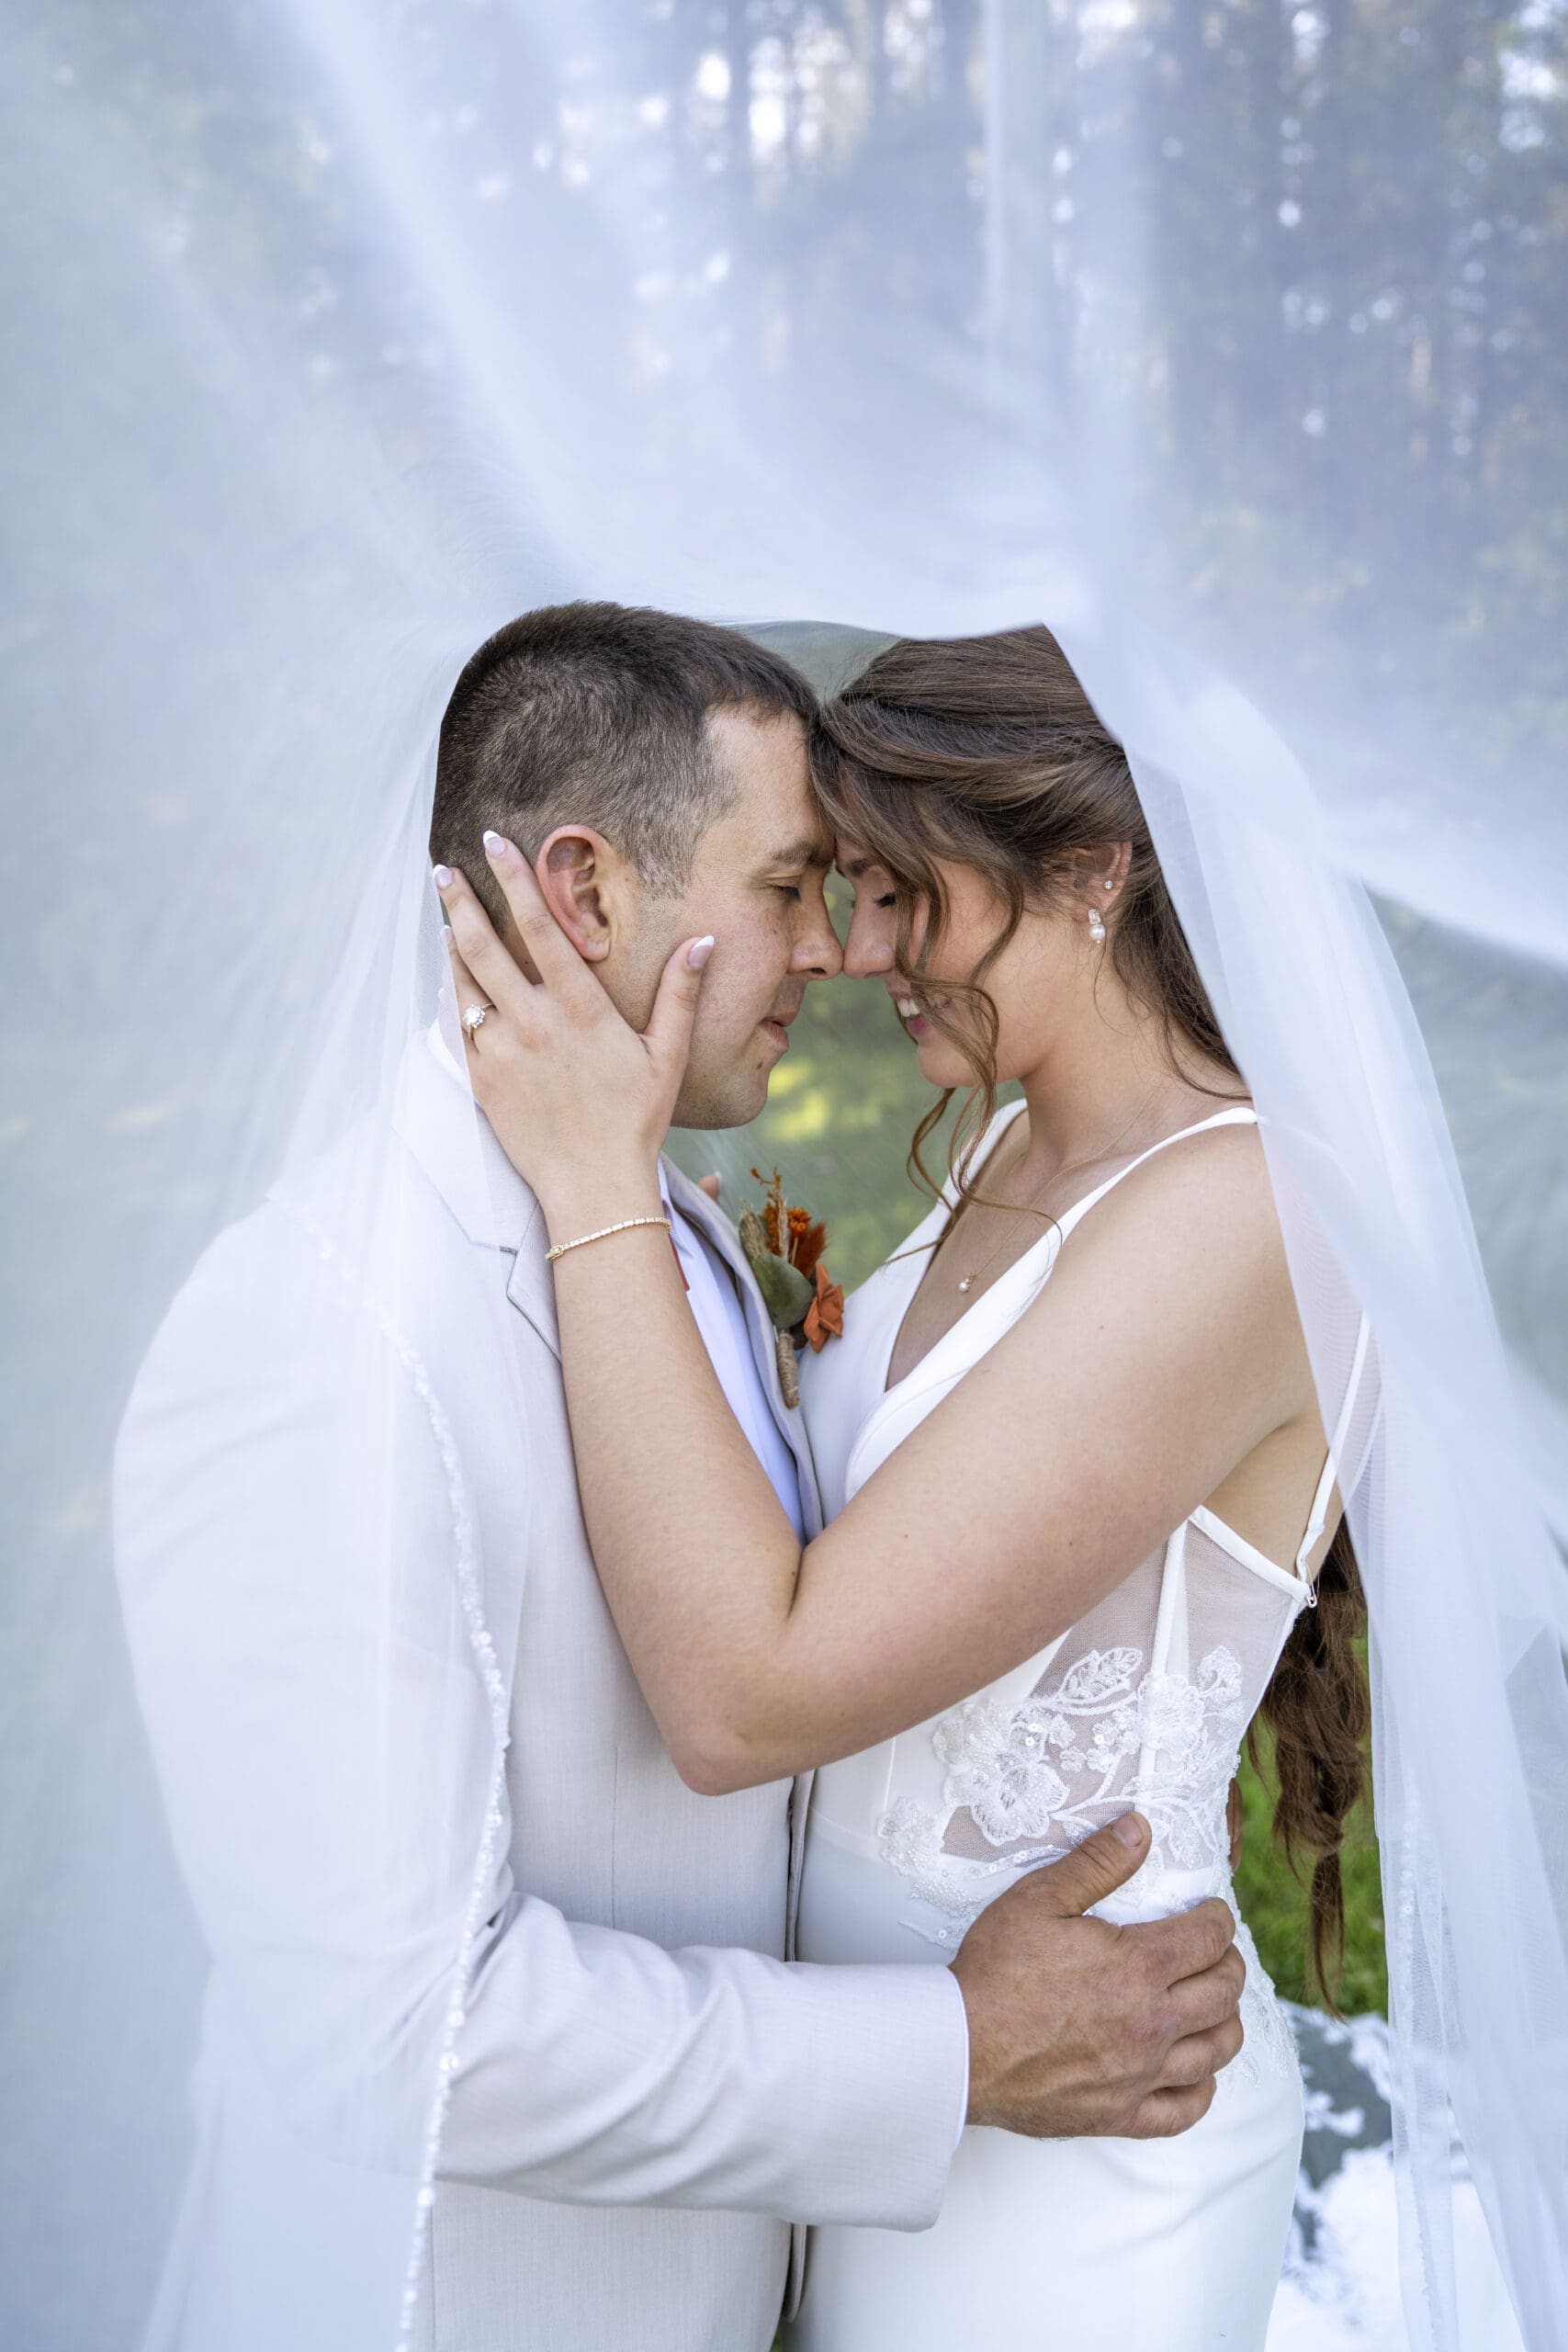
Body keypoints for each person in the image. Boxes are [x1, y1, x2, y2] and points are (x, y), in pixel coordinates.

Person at [113, 605, 1247, 2352]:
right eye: (793, 884)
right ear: (585, 894)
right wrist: (946, 2051)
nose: (836, 953)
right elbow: (395, 2035)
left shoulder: (661, 1231)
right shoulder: (313, 1335)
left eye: (860, 890)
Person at [435, 621, 1380, 2350]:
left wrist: (596, 1177)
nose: (861, 954)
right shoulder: (1025, 1145)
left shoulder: (1246, 1216)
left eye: (900, 894)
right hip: (886, 2105)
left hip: (1073, 2169)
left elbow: (750, 1692)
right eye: (836, 887)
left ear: (1094, 874)